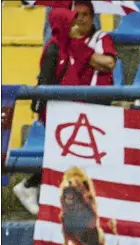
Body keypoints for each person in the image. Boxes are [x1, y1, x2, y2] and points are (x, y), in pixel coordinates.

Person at [13, 8, 78, 216]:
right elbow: (46, 83)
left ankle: (38, 188)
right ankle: (28, 186)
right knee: (60, 153)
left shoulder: (66, 47)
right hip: (52, 111)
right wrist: (43, 110)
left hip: (64, 109)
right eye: (71, 23)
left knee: (64, 153)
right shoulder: (52, 49)